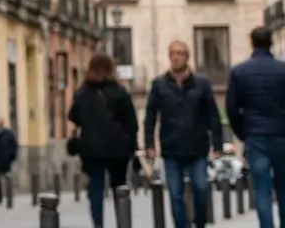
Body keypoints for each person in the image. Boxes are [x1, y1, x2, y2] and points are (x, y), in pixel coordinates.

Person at [144, 40, 224, 228]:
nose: (176, 57)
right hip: (171, 149)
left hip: (197, 147)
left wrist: (218, 144)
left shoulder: (202, 84)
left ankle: (200, 223)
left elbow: (213, 115)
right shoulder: (159, 85)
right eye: (172, 53)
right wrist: (149, 144)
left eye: (180, 53)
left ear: (187, 57)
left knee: (201, 188)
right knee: (175, 195)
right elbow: (150, 116)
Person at [68, 52, 139, 228]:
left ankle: (98, 223)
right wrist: (133, 146)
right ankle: (123, 221)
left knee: (96, 188)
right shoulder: (119, 92)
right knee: (119, 188)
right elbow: (131, 122)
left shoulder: (82, 93)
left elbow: (74, 119)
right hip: (117, 148)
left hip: (91, 149)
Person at [226, 26, 285, 228]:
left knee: (261, 188)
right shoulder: (282, 70)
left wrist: (243, 133)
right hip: (281, 136)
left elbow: (232, 108)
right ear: (272, 42)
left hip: (255, 137)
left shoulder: (240, 72)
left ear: (252, 43)